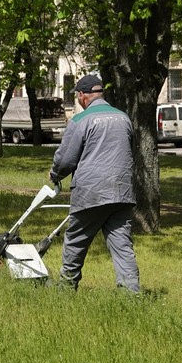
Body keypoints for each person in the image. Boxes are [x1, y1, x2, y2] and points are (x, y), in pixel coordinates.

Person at [48, 75, 140, 293]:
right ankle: (132, 293)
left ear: (82, 96)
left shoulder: (81, 120)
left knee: (76, 241)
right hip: (122, 192)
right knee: (122, 245)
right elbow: (131, 151)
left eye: (78, 96)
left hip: (92, 193)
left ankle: (66, 287)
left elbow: (66, 159)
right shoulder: (123, 118)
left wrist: (55, 175)